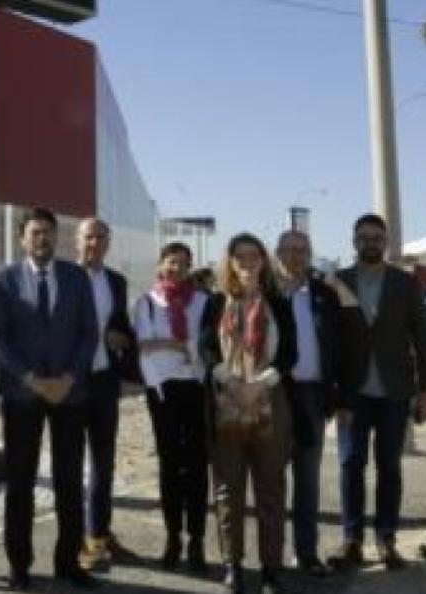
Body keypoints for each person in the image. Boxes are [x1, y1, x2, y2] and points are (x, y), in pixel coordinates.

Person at [0, 206, 100, 591]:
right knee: (20, 483)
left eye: (48, 232)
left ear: (57, 237)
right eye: (35, 232)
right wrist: (31, 379)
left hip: (70, 393)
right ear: (22, 238)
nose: (42, 238)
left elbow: (89, 333)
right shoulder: (4, 279)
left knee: (69, 481)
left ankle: (68, 562)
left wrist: (68, 377)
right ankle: (19, 565)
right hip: (23, 394)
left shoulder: (76, 278)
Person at [329, 214, 426, 571]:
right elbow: (330, 345)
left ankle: (386, 540)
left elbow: (422, 339)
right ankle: (352, 541)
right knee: (350, 465)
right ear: (354, 241)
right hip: (351, 394)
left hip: (394, 392)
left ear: (386, 242)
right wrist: (334, 395)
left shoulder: (405, 283)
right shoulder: (338, 282)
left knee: (389, 466)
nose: (370, 243)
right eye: (364, 238)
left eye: (376, 237)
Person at [201, 233, 297, 594]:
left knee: (271, 488)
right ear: (229, 262)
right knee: (228, 489)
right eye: (239, 256)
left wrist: (260, 383)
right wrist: (231, 382)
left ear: (263, 260)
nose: (246, 262)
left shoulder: (278, 302)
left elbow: (290, 354)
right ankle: (233, 565)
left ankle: (272, 567)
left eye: (253, 255)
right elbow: (207, 348)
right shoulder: (215, 303)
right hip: (227, 403)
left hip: (270, 401)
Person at [275, 231, 358, 576]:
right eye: (289, 250)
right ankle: (270, 557)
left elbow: (340, 351)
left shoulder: (325, 295)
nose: (296, 256)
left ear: (310, 255)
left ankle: (306, 552)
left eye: (302, 250)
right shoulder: (265, 295)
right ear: (277, 253)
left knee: (307, 480)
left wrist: (342, 398)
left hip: (313, 396)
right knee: (271, 481)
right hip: (274, 395)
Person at [133, 241, 211, 573]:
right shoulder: (147, 303)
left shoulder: (205, 302)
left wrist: (168, 345)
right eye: (170, 261)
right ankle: (172, 537)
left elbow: (206, 346)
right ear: (161, 265)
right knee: (169, 465)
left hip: (196, 388)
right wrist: (176, 344)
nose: (175, 267)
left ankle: (196, 539)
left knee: (196, 465)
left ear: (190, 266)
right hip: (162, 391)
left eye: (182, 262)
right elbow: (143, 345)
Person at [74, 218, 139, 571]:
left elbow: (121, 328)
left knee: (103, 463)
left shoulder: (117, 281)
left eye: (100, 237)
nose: (94, 243)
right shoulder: (64, 277)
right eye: (88, 237)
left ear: (108, 243)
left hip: (103, 382)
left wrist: (122, 339)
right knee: (70, 466)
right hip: (71, 383)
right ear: (76, 241)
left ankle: (99, 534)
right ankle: (76, 541)